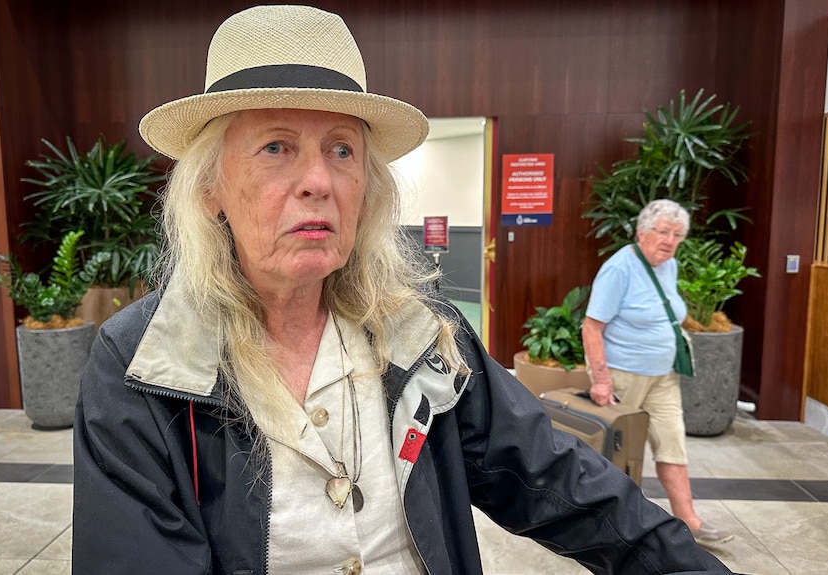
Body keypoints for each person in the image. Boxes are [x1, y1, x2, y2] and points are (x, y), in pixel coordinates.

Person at [72, 6, 736, 574]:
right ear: (211, 186)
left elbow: (557, 478)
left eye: (341, 150)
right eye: (277, 147)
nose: (319, 181)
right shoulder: (144, 364)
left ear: (366, 187)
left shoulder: (421, 332)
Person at [582, 199, 735, 548]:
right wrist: (602, 380)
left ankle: (689, 520)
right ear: (642, 231)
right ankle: (598, 527)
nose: (670, 240)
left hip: (664, 377)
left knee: (672, 444)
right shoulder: (619, 268)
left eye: (677, 235)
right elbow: (591, 327)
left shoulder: (669, 266)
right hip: (624, 376)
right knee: (615, 454)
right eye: (663, 232)